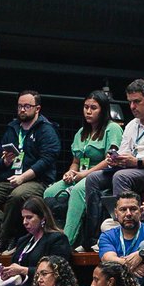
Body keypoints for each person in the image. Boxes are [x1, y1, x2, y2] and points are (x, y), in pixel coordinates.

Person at [75, 79, 144, 238]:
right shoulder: (132, 124)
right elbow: (124, 150)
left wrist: (138, 162)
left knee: (121, 176)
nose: (132, 106)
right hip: (130, 167)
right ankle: (93, 235)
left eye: (137, 102)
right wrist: (115, 159)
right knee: (93, 178)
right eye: (130, 102)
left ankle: (126, 231)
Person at [0, 92, 64, 237]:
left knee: (17, 195)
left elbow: (46, 161)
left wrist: (23, 178)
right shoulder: (13, 128)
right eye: (20, 106)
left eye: (27, 106)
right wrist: (5, 161)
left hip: (37, 181)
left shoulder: (46, 130)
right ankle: (13, 232)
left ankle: (2, 237)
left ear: (37, 108)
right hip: (12, 179)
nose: (22, 109)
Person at [43, 89, 116, 239]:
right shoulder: (81, 132)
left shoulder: (112, 128)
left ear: (103, 110)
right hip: (79, 174)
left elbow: (110, 160)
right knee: (49, 192)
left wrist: (84, 174)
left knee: (77, 191)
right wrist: (70, 172)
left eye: (93, 108)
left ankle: (67, 240)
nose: (88, 111)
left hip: (101, 175)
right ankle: (51, 236)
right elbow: (76, 161)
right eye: (86, 107)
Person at [0, 195, 74, 286]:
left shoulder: (57, 239)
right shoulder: (23, 240)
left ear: (43, 218)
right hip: (20, 285)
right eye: (23, 218)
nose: (24, 222)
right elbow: (15, 265)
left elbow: (57, 270)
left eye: (29, 217)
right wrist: (8, 272)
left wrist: (23, 270)